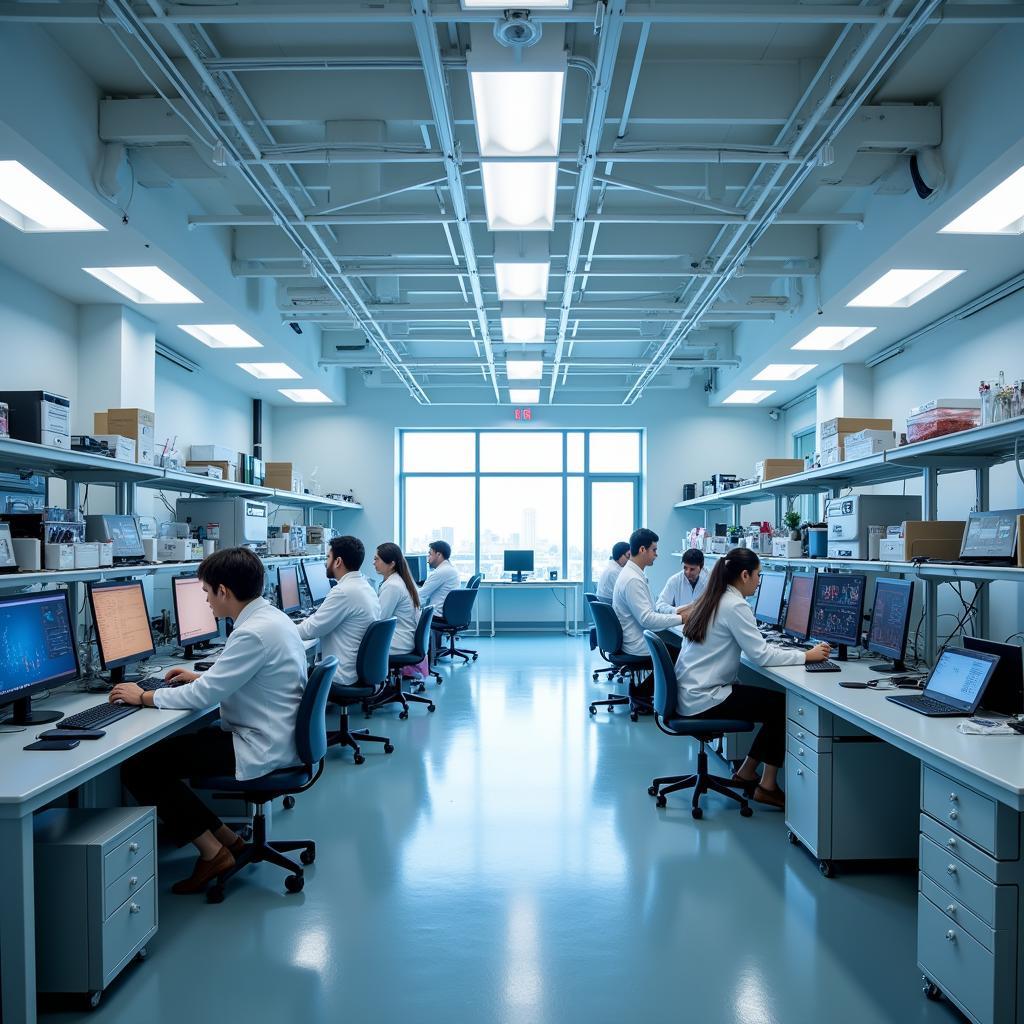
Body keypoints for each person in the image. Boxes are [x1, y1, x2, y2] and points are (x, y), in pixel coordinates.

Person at [112, 547, 307, 895]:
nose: (206, 601)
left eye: (206, 592)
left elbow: (205, 697)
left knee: (140, 766)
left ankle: (212, 852)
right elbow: (233, 676)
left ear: (224, 591)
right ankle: (227, 840)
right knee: (171, 751)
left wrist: (143, 696)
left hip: (260, 744)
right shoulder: (271, 619)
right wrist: (199, 676)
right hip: (275, 733)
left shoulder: (251, 633)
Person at [676, 547, 832, 808]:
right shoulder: (735, 604)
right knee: (781, 706)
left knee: (770, 702)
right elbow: (761, 656)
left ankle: (747, 771)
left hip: (692, 691)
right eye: (758, 575)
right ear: (745, 575)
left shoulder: (715, 596)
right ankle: (767, 786)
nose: (759, 582)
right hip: (704, 698)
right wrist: (808, 656)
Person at [295, 535, 380, 685]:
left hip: (342, 674)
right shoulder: (365, 586)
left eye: (328, 557)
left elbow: (310, 630)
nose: (325, 563)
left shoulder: (343, 591)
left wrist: (283, 628)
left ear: (338, 561)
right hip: (360, 669)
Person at [612, 528, 689, 660]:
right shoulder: (632, 580)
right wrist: (682, 618)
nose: (656, 555)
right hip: (639, 646)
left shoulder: (632, 574)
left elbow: (650, 610)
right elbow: (647, 619)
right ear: (642, 550)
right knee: (685, 655)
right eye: (654, 550)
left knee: (677, 645)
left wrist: (677, 611)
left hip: (636, 639)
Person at [374, 541, 420, 655]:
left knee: (353, 643)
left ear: (391, 564)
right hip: (404, 637)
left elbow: (379, 619)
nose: (373, 563)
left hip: (399, 642)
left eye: (377, 559)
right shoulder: (399, 580)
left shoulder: (392, 586)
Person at [657, 548, 709, 612]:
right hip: (680, 620)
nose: (687, 572)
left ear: (701, 567)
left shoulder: (709, 580)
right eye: (685, 568)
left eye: (692, 569)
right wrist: (678, 610)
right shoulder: (675, 580)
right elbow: (660, 605)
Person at [418, 539, 460, 610]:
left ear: (439, 555)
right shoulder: (449, 568)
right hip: (446, 613)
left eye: (430, 554)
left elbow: (420, 595)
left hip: (436, 615)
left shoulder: (441, 572)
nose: (428, 558)